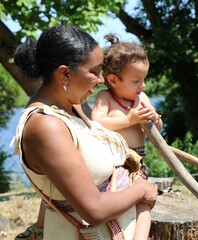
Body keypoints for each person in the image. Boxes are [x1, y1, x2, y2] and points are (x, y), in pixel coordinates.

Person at [12, 24, 158, 240]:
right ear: (64, 73)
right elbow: (94, 209)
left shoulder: (71, 106)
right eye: (95, 72)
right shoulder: (45, 126)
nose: (101, 80)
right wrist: (142, 191)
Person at [91, 34, 163, 240]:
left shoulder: (142, 98)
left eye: (144, 79)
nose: (144, 85)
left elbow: (158, 128)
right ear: (113, 80)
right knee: (112, 202)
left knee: (144, 203)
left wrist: (155, 119)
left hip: (137, 163)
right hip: (111, 163)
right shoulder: (105, 97)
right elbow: (97, 123)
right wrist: (129, 119)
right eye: (137, 80)